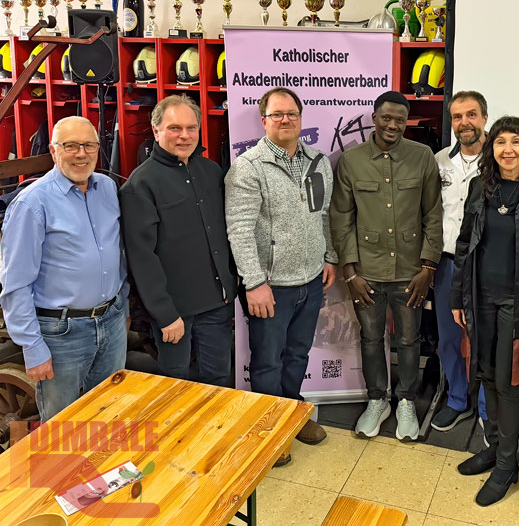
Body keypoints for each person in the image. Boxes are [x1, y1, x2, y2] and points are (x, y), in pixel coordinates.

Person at [450, 116, 519, 506]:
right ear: (491, 147)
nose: (508, 149)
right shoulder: (480, 187)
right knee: (485, 374)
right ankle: (496, 448)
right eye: (500, 142)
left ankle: (506, 465)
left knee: (510, 383)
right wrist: (457, 297)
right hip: (480, 297)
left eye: (516, 141)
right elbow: (465, 243)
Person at [226, 87, 338, 465]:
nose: (285, 120)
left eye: (291, 113)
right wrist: (254, 283)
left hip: (311, 281)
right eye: (277, 114)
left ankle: (292, 413)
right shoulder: (248, 167)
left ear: (301, 118)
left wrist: (329, 256)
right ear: (264, 121)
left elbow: (323, 214)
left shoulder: (318, 161)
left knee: (298, 355)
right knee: (267, 363)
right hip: (271, 288)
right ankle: (268, 430)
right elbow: (240, 230)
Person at [330, 91, 443, 442]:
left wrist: (429, 266)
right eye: (386, 118)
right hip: (366, 272)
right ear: (374, 118)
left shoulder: (422, 156)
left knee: (409, 339)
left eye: (400, 120)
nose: (392, 125)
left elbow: (433, 213)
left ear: (407, 122)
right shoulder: (351, 161)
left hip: (410, 271)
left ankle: (406, 400)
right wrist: (350, 273)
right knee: (370, 338)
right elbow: (341, 218)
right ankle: (377, 400)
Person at [0, 116, 128, 421]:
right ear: (53, 151)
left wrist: (121, 306)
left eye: (88, 145)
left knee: (108, 414)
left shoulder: (107, 188)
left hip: (110, 321)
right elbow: (16, 284)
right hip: (62, 333)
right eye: (70, 146)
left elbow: (118, 252)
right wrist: (32, 346)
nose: (81, 154)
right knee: (62, 427)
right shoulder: (32, 204)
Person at [120, 95, 237, 388]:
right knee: (175, 383)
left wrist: (231, 287)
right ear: (156, 130)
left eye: (191, 128)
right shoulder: (140, 184)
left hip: (217, 303)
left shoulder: (211, 171)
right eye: (174, 128)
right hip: (175, 311)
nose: (184, 135)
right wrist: (165, 314)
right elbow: (142, 258)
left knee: (218, 378)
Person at [431, 90, 489, 435]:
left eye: (471, 115)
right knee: (449, 337)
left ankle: (486, 408)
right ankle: (456, 399)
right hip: (447, 263)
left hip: (485, 267)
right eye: (457, 117)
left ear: (484, 118)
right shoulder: (439, 161)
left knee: (485, 339)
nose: (464, 123)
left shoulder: (500, 160)